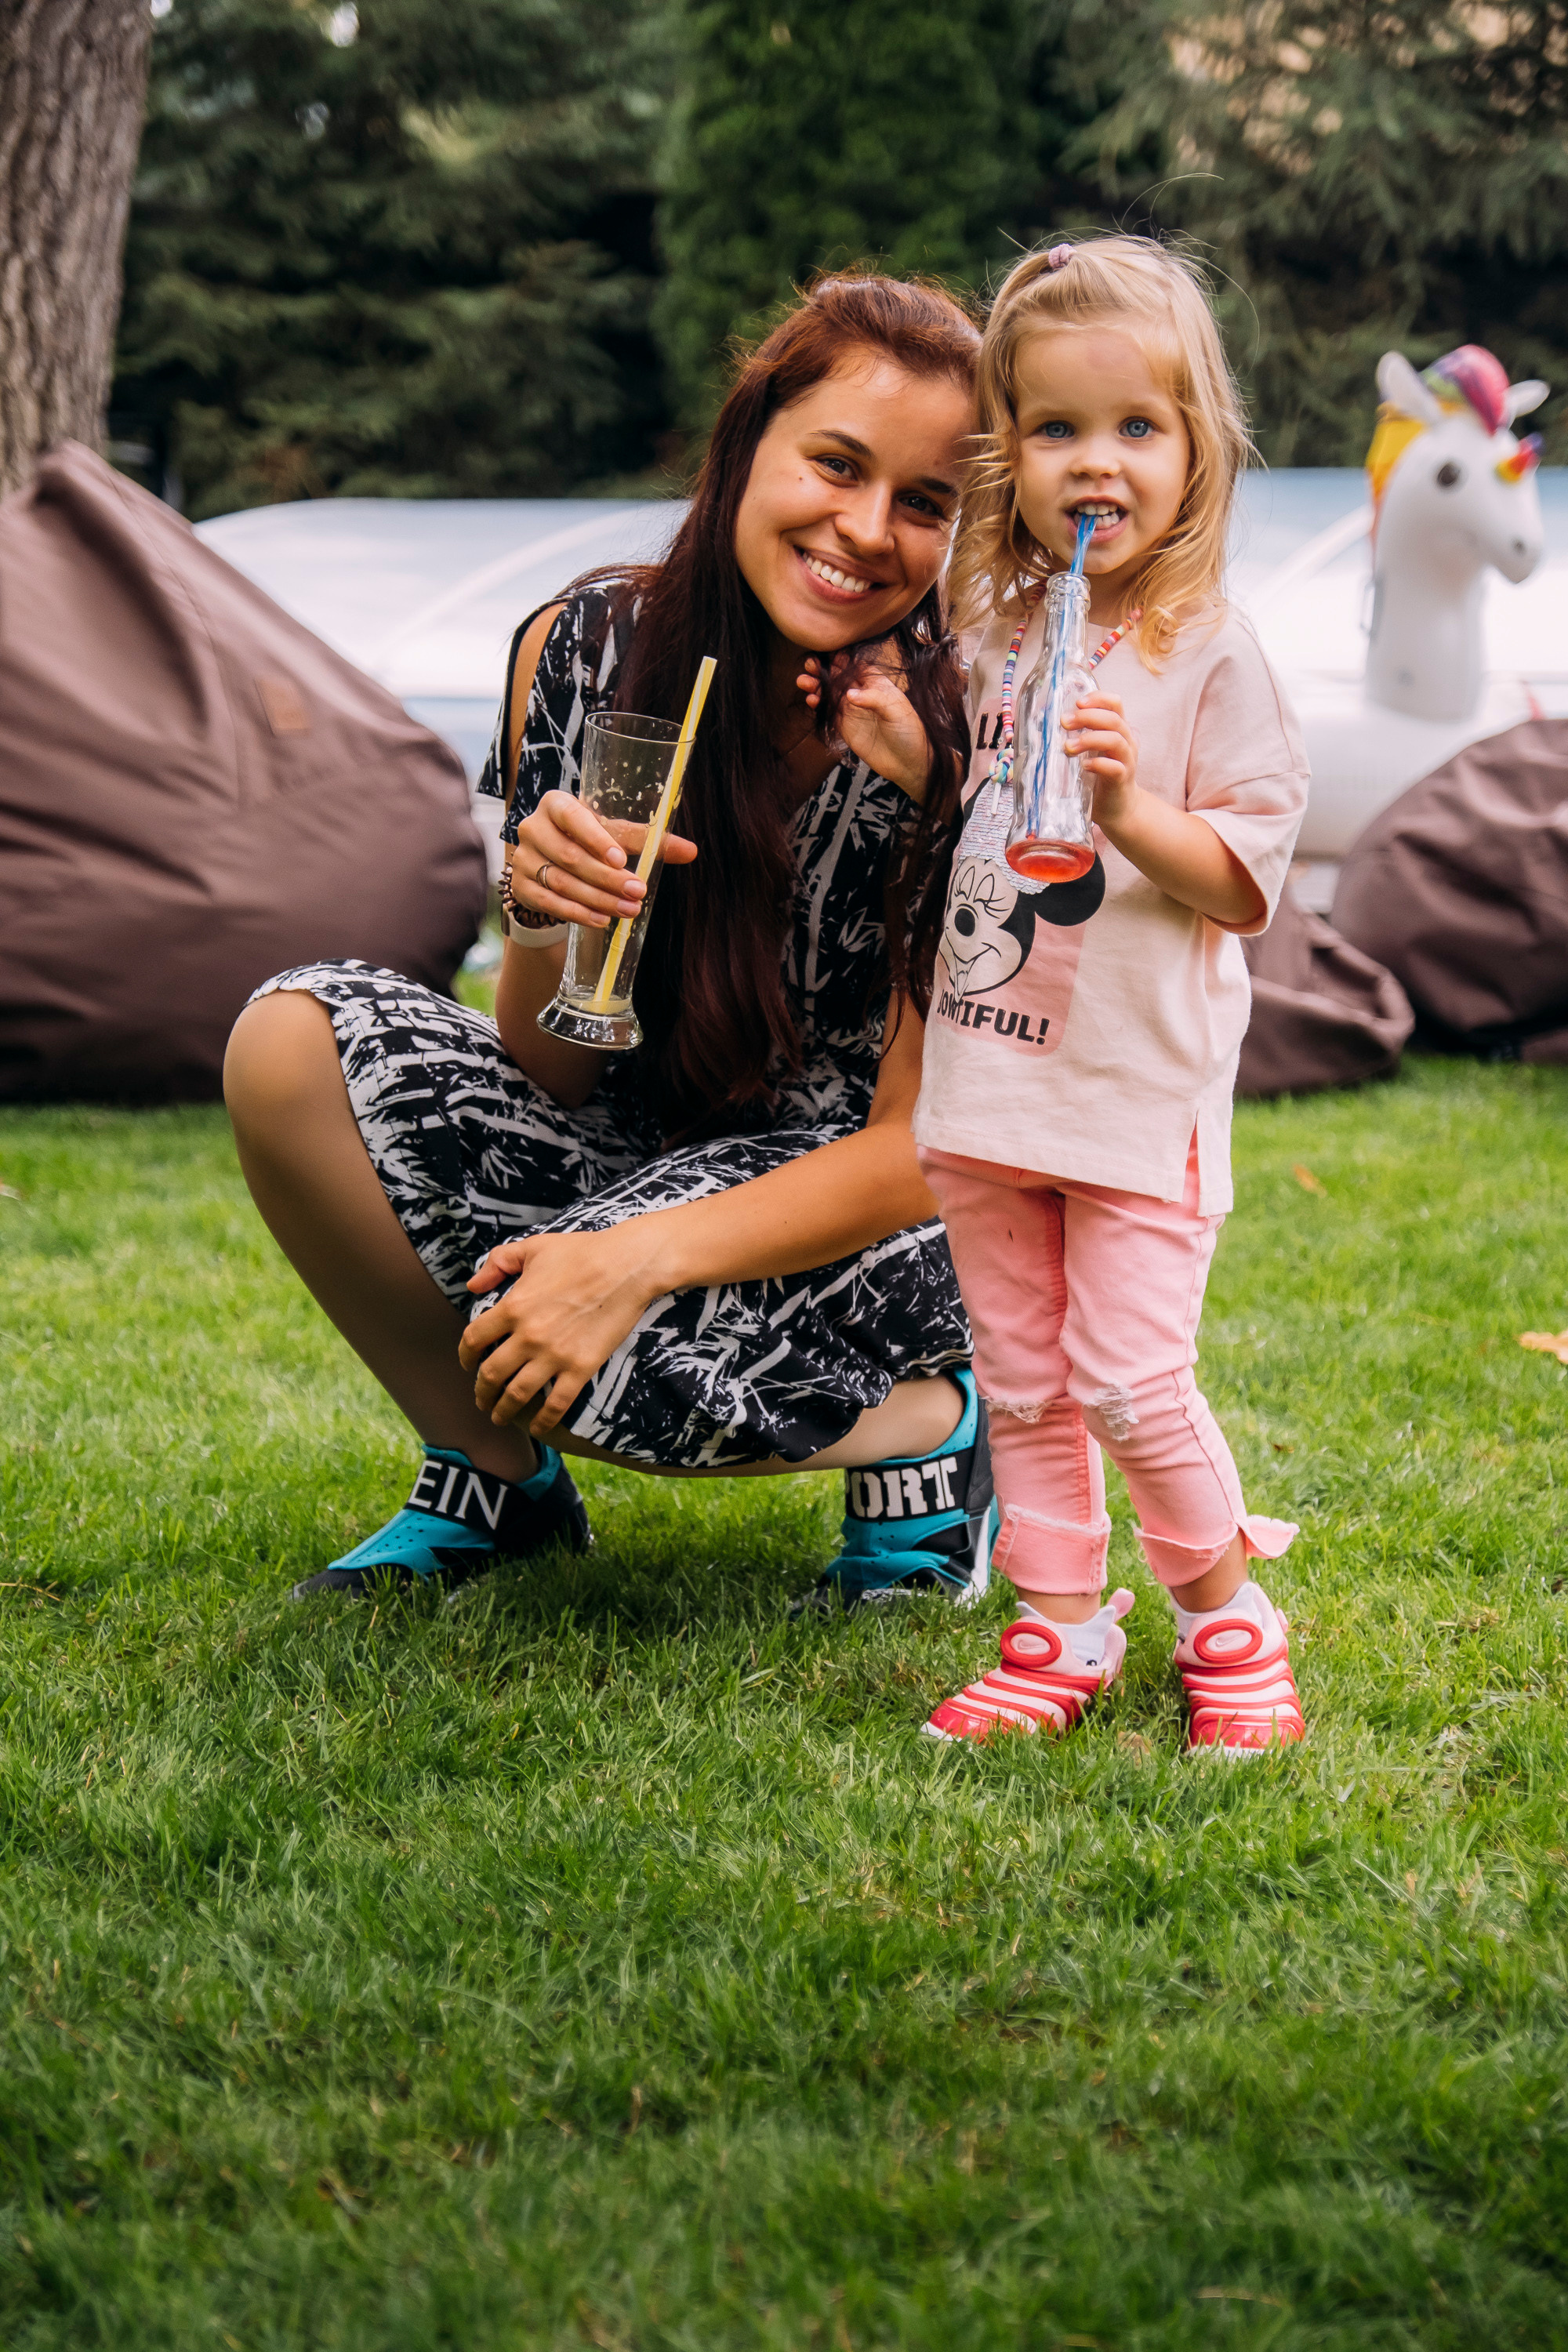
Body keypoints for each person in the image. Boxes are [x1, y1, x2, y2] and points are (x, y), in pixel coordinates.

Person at [223, 274, 999, 1610]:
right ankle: (495, 1482)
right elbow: (549, 1066)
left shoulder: (973, 718)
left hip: (879, 1204)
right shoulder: (581, 650)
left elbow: (918, 1150)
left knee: (589, 1346)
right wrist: (542, 907)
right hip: (638, 1144)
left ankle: (939, 1438)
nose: (864, 530)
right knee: (287, 1039)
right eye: (836, 463)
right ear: (750, 438)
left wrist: (622, 1262)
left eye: (924, 503)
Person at [905, 236, 1311, 1753]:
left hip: (1135, 1096)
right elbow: (976, 818)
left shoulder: (1215, 653)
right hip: (994, 1079)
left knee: (1130, 1378)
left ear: (1197, 451)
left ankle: (1227, 1618)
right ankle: (1059, 1626)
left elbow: (1245, 874)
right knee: (1023, 1383)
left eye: (1136, 428)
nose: (1097, 464)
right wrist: (911, 757)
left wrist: (1134, 811)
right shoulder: (1000, 633)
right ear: (1008, 458)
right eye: (1057, 431)